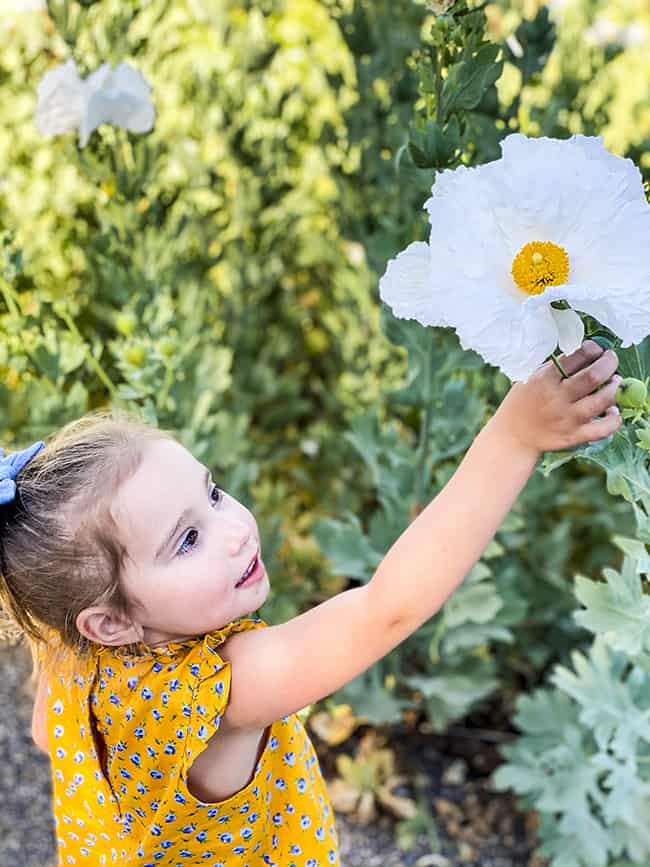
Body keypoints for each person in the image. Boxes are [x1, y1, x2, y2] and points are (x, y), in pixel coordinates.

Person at [0, 339, 621, 867]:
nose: (236, 529)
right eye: (186, 539)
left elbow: (47, 732)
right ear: (109, 622)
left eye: (212, 494)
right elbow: (387, 609)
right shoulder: (223, 689)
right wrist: (514, 436)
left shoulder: (74, 652)